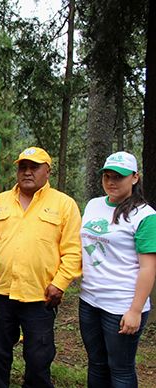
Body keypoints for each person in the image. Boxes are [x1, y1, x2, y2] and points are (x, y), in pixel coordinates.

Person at [0, 146, 82, 388]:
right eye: (22, 167)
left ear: (48, 171)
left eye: (34, 167)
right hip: (2, 293)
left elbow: (73, 251)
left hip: (41, 296)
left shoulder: (64, 205)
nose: (27, 172)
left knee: (38, 357)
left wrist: (60, 283)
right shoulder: (0, 201)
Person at [79, 151, 156, 387]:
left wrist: (134, 310)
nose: (111, 182)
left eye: (119, 177)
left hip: (121, 305)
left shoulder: (145, 215)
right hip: (89, 300)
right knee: (96, 363)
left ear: (134, 178)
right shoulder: (93, 205)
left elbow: (148, 267)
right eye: (107, 176)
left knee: (120, 369)